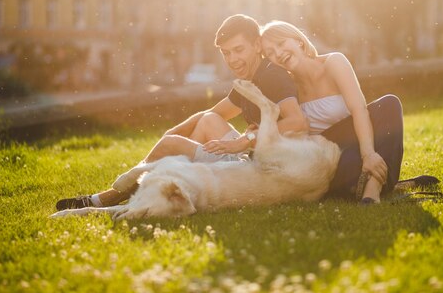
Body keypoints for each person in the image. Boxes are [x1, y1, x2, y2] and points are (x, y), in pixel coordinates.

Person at [55, 14, 308, 210]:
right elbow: (210, 114)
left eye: (238, 50)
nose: (232, 60)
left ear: (256, 45)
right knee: (203, 123)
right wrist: (172, 136)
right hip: (251, 158)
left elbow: (298, 122)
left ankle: (109, 197)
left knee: (173, 145)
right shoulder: (250, 78)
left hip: (260, 171)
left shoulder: (272, 77)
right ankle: (163, 180)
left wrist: (245, 140)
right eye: (226, 53)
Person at [259, 20, 404, 204]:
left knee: (389, 104)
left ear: (299, 41)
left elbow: (359, 109)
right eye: (270, 53)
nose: (278, 54)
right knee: (349, 166)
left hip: (357, 144)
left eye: (280, 44)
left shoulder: (333, 62)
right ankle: (379, 181)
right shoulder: (287, 88)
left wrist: (368, 154)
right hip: (327, 161)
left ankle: (373, 188)